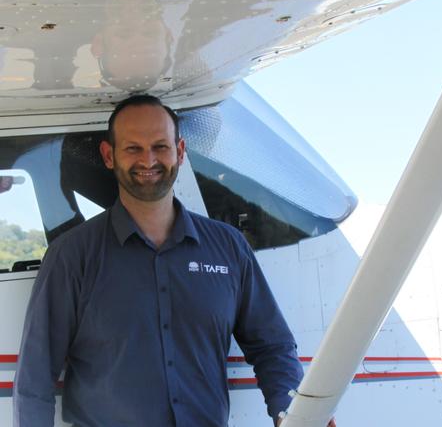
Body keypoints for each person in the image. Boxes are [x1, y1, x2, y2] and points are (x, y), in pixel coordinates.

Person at [13, 94, 335, 427]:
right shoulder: (72, 255)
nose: (148, 160)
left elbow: (273, 346)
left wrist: (289, 411)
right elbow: (35, 379)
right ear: (109, 156)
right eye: (133, 148)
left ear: (179, 152)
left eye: (160, 147)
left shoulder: (228, 248)